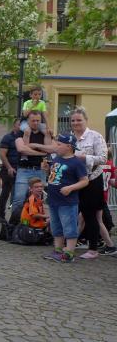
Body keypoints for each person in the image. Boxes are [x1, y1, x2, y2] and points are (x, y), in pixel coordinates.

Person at [42, 134, 89, 263]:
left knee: (69, 227)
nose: (56, 147)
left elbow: (85, 181)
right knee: (56, 227)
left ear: (68, 146)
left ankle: (69, 253)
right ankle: (58, 250)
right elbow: (54, 176)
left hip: (67, 202)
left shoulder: (76, 162)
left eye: (59, 144)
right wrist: (46, 170)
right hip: (53, 200)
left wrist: (71, 188)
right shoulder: (57, 158)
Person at [69, 107, 108, 260]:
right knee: (73, 213)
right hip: (74, 180)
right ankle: (70, 244)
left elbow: (103, 158)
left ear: (86, 120)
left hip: (92, 180)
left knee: (90, 215)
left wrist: (84, 158)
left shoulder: (95, 136)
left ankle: (93, 249)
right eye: (73, 120)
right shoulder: (69, 138)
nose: (76, 123)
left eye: (79, 120)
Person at [13, 110, 51, 213]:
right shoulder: (21, 132)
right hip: (24, 170)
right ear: (28, 121)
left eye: (38, 120)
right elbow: (22, 149)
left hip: (40, 170)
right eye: (33, 121)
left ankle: (36, 221)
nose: (35, 123)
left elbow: (50, 148)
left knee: (37, 200)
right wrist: (41, 153)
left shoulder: (44, 133)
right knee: (19, 199)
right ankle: (15, 221)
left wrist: (34, 145)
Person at [0, 119, 22, 223]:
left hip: (21, 170)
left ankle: (15, 216)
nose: (21, 127)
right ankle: (0, 215)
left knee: (17, 194)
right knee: (6, 192)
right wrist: (9, 167)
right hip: (8, 170)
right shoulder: (7, 138)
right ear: (14, 125)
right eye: (19, 124)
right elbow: (2, 154)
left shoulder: (24, 138)